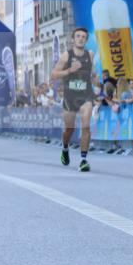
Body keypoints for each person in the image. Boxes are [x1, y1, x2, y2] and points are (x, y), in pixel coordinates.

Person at [51, 27, 95, 171]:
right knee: (70, 129)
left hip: (86, 95)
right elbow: (54, 74)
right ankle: (65, 147)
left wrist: (95, 78)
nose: (80, 39)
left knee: (86, 126)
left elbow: (92, 73)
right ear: (73, 39)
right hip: (70, 96)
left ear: (86, 40)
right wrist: (70, 70)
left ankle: (83, 160)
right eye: (78, 36)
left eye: (83, 36)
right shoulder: (66, 56)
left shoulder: (90, 54)